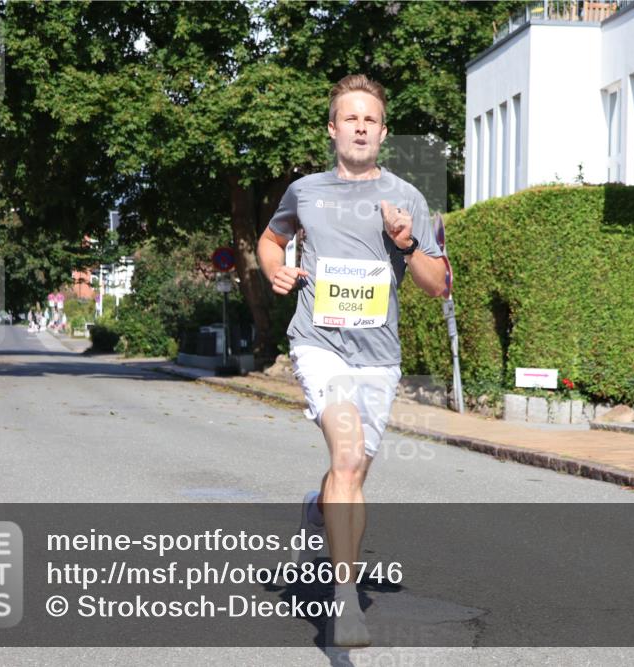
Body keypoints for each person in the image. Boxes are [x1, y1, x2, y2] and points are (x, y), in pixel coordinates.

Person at [257, 74, 446, 647]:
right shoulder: (304, 191)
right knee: (345, 452)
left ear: (383, 132)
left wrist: (409, 243)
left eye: (371, 119)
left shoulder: (409, 196)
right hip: (318, 342)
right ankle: (345, 604)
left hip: (378, 357)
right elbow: (271, 240)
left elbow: (438, 286)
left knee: (352, 473)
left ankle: (318, 507)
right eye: (351, 117)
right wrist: (276, 271)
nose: (360, 126)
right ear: (333, 128)